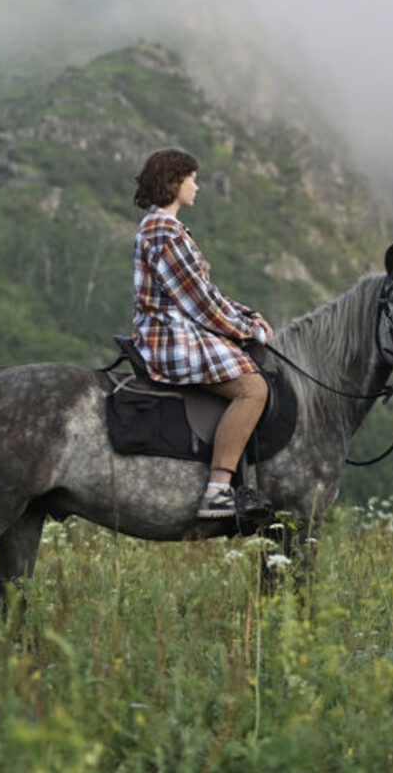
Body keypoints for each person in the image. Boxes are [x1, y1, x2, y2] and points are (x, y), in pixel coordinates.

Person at [131, 148, 273, 518]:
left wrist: (246, 314)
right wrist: (250, 332)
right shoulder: (165, 232)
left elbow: (204, 292)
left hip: (176, 328)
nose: (198, 186)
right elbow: (201, 305)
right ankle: (217, 492)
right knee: (253, 388)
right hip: (170, 336)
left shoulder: (163, 228)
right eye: (192, 178)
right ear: (174, 182)